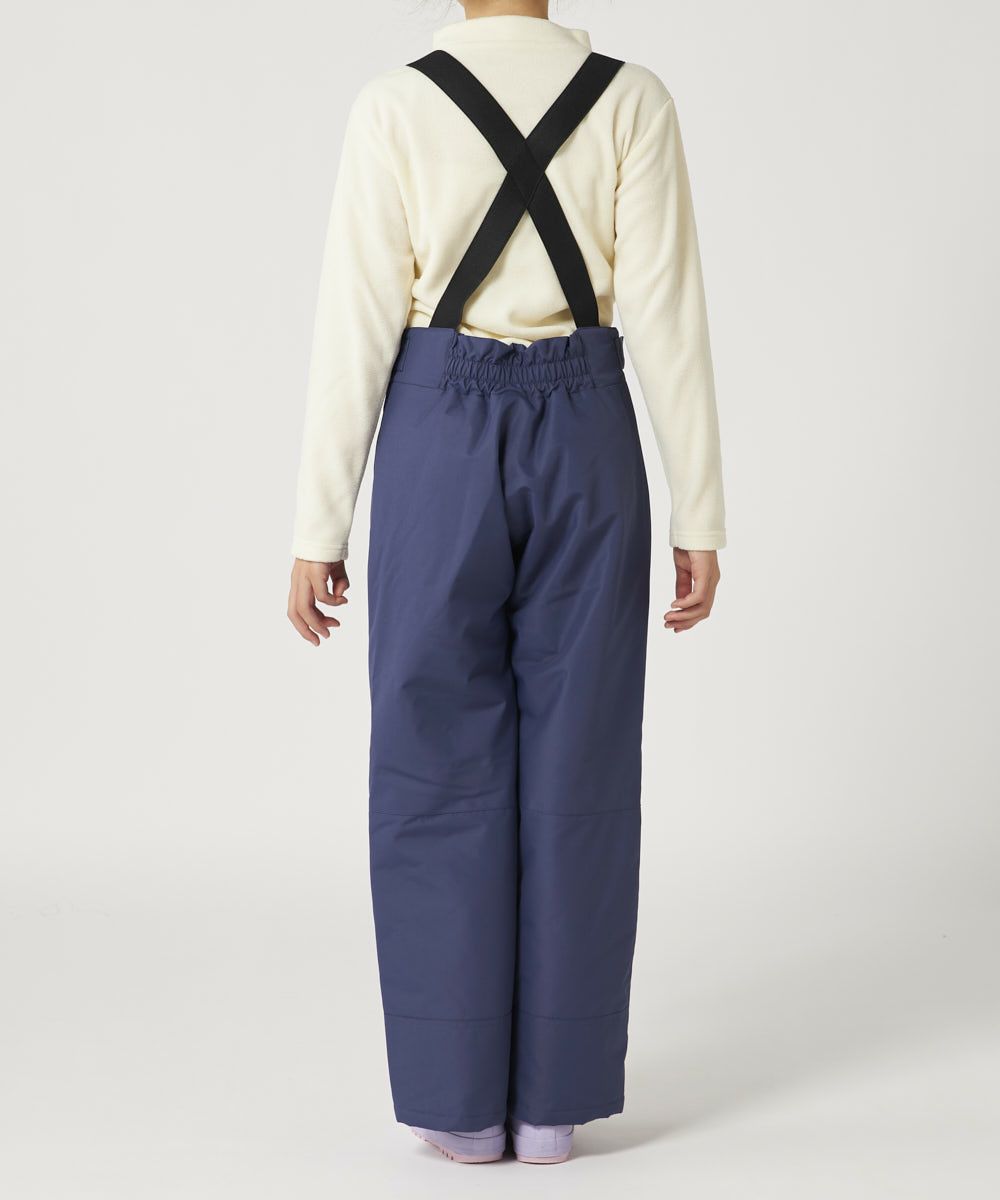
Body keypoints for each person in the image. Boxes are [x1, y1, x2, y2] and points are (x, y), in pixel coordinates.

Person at [287, 0, 726, 1166]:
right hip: (589, 431)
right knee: (582, 764)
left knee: (433, 761)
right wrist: (699, 506)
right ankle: (551, 1110)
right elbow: (668, 314)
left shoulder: (394, 105)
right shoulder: (632, 99)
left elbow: (355, 324)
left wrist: (318, 524)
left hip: (437, 430)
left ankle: (459, 1104)